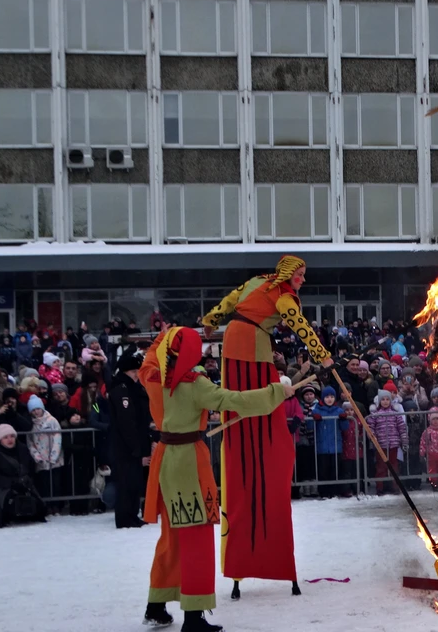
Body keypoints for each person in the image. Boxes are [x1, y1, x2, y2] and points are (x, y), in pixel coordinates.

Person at [138, 325, 295, 632]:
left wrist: (167, 335)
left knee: (172, 536)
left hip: (166, 460)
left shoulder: (153, 376)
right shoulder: (194, 384)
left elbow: (151, 355)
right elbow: (233, 400)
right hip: (187, 461)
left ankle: (156, 605)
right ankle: (194, 617)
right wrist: (277, 391)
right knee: (196, 537)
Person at [202, 254, 334, 599]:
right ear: (289, 273)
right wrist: (322, 355)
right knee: (256, 400)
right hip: (252, 351)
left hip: (232, 343)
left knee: (240, 400)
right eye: (301, 274)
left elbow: (231, 300)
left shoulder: (258, 280)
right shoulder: (283, 295)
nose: (303, 280)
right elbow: (300, 325)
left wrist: (213, 318)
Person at [108, 355, 152, 529]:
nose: (136, 375)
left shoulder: (133, 389)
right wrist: (135, 447)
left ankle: (132, 514)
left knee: (134, 482)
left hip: (135, 443)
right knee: (126, 483)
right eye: (134, 371)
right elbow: (127, 421)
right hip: (125, 446)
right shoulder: (121, 390)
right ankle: (125, 517)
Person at [0, 424, 47, 529]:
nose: (10, 439)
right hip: (2, 486)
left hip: (22, 483)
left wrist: (25, 479)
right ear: (0, 440)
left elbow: (30, 467)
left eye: (12, 436)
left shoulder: (22, 449)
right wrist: (11, 482)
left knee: (38, 506)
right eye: (6, 437)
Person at [366, 389, 407, 495]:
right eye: (383, 399)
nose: (385, 401)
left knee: (394, 466)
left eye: (387, 399)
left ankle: (395, 486)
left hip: (393, 444)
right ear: (379, 401)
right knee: (381, 467)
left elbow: (402, 428)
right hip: (381, 445)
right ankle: (380, 487)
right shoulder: (375, 415)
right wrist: (372, 438)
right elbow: (371, 428)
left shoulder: (395, 414)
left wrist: (404, 440)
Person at [25, 394, 64, 504]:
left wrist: (54, 455)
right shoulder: (31, 424)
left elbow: (57, 438)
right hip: (41, 460)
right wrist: (37, 456)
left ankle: (57, 505)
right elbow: (30, 443)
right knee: (44, 484)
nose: (36, 412)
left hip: (54, 459)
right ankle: (47, 505)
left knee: (56, 483)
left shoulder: (52, 421)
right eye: (33, 410)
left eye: (38, 409)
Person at [311, 386, 348, 498]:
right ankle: (323, 492)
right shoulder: (316, 410)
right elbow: (309, 426)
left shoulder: (339, 410)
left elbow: (345, 427)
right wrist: (314, 420)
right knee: (323, 471)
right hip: (322, 446)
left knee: (334, 470)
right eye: (327, 397)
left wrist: (343, 419)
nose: (330, 399)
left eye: (332, 396)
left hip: (335, 446)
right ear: (323, 398)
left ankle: (333, 492)